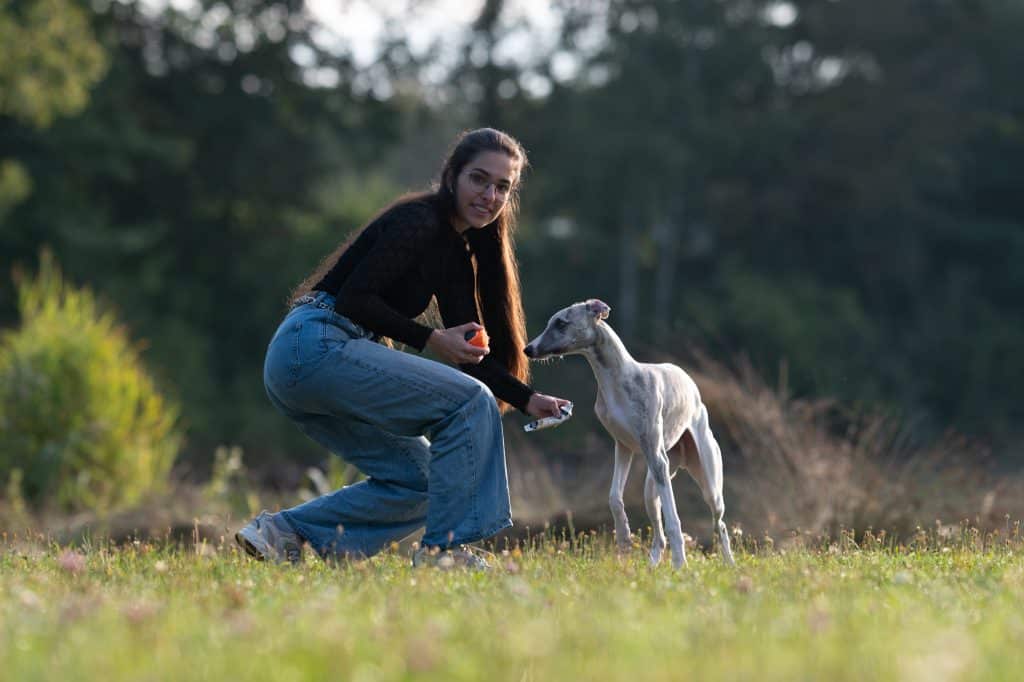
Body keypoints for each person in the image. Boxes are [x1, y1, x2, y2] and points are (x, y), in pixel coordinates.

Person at [235, 128, 570, 569]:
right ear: (451, 176)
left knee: (425, 479)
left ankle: (284, 532)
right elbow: (355, 299)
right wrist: (431, 339)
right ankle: (443, 552)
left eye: (502, 187)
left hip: (309, 363)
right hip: (315, 344)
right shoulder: (419, 221)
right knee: (471, 402)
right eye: (479, 179)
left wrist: (529, 399)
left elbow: (469, 353)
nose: (490, 195)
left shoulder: (455, 253)